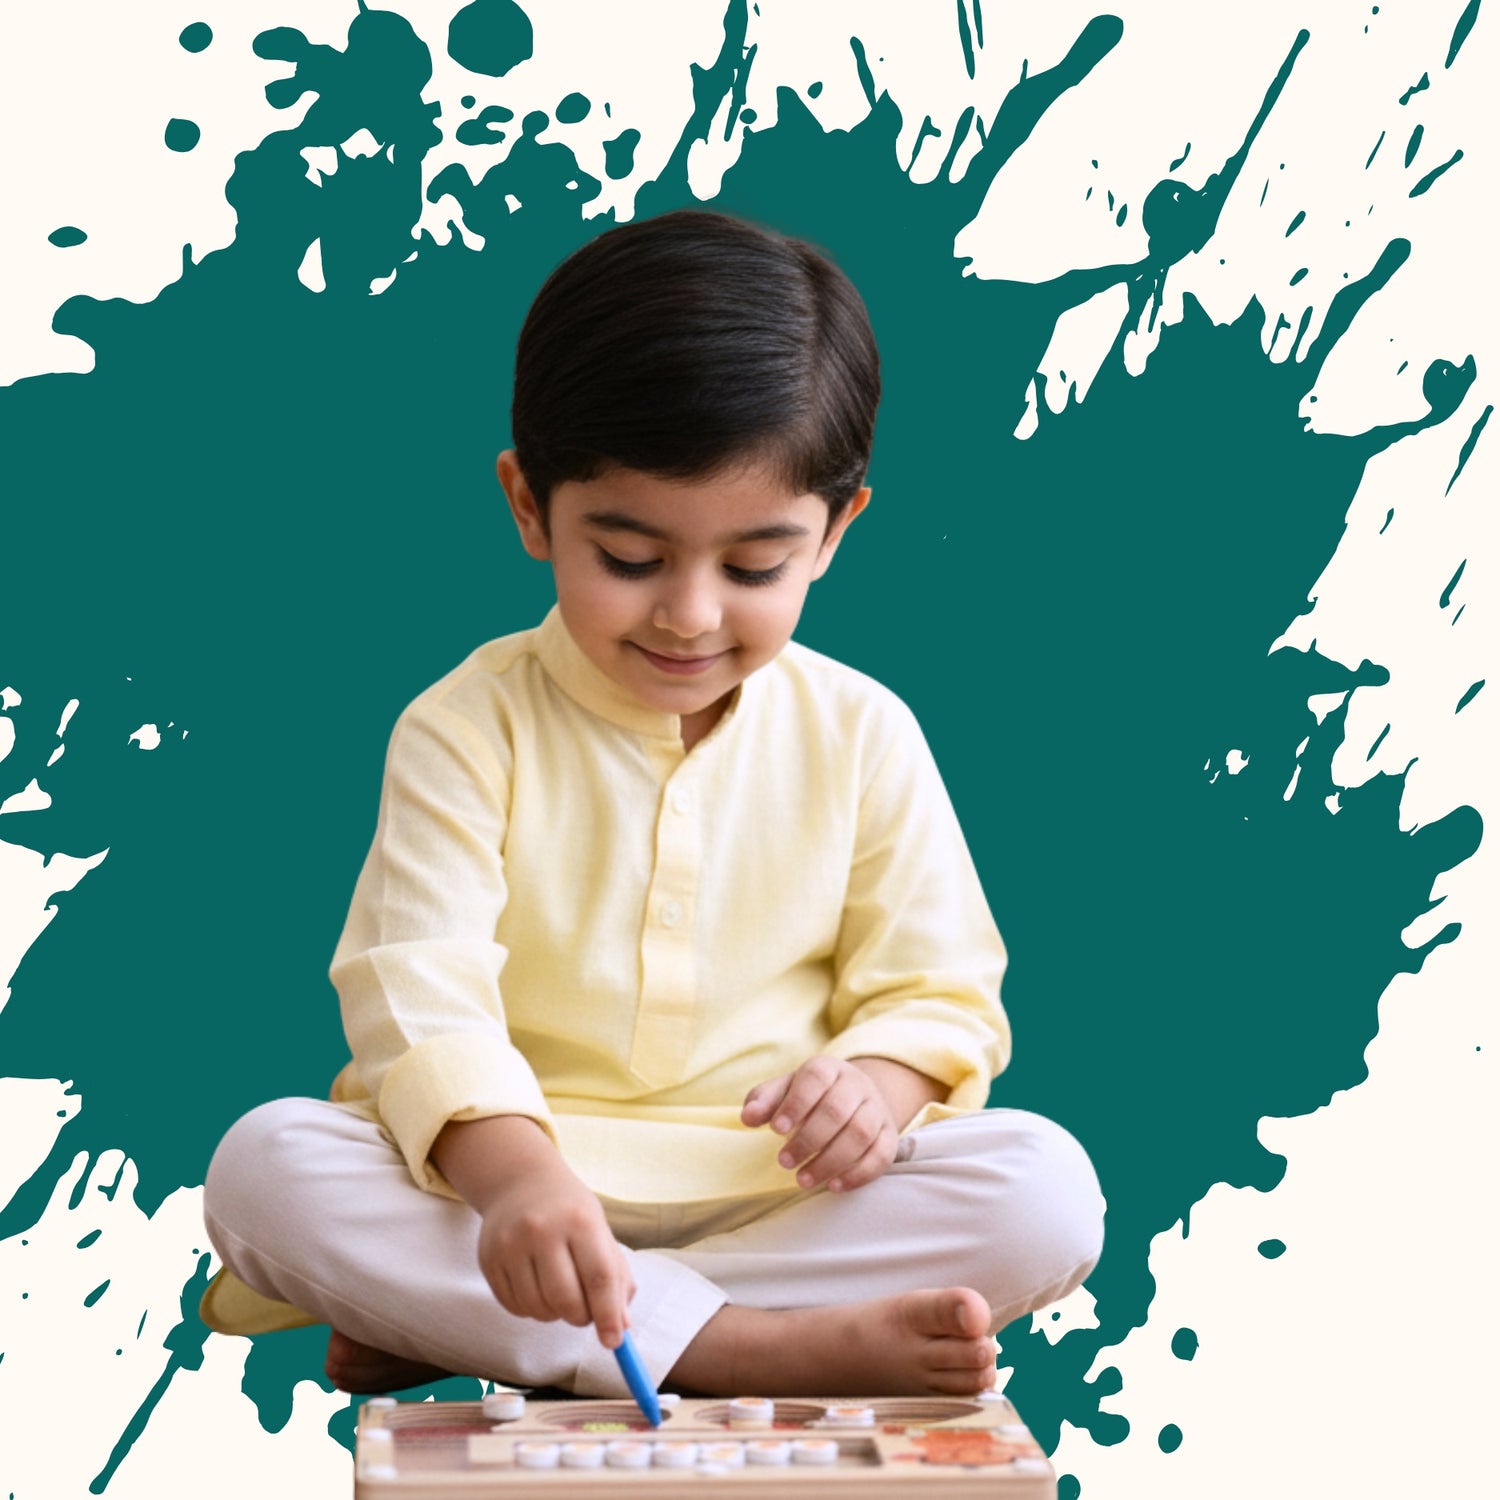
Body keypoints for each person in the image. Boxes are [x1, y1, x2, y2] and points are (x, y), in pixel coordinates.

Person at [200, 209, 1104, 1399]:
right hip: (502, 1180)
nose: (688, 614)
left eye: (752, 566)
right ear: (531, 507)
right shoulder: (465, 724)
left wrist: (872, 1093)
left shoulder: (864, 730)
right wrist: (517, 1181)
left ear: (835, 531)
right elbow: (416, 984)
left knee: (1047, 1189)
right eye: (629, 559)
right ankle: (745, 1349)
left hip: (776, 1192)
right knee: (264, 1168)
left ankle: (515, 1329)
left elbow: (939, 989)